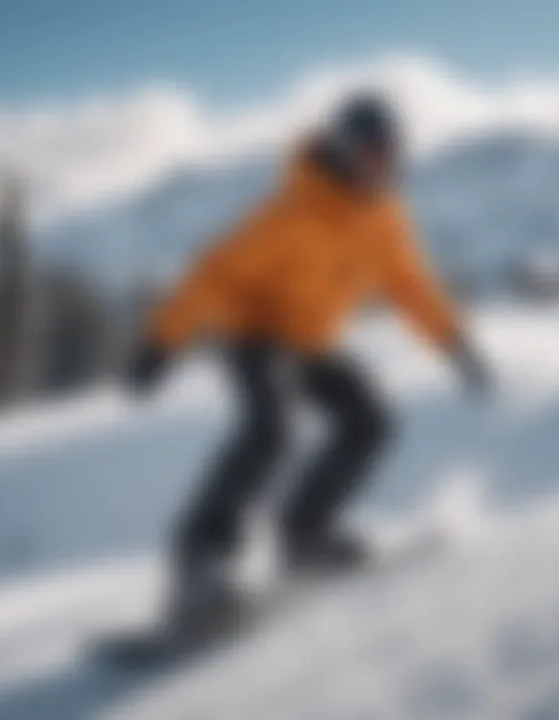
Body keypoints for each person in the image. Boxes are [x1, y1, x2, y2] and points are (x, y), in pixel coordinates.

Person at [125, 92, 491, 617]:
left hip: (311, 342)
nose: (380, 165)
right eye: (369, 153)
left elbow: (410, 284)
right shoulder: (290, 213)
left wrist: (454, 343)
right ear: (342, 150)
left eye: (389, 154)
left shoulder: (382, 216)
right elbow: (212, 275)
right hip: (253, 335)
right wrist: (160, 344)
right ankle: (199, 563)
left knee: (371, 421)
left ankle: (305, 535)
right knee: (271, 429)